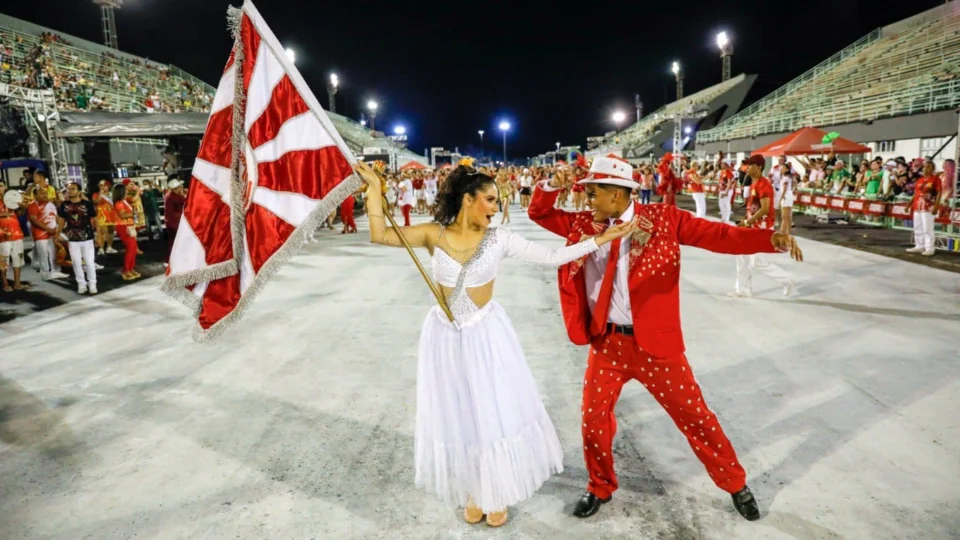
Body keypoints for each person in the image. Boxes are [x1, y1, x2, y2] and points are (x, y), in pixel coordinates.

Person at [354, 160, 638, 527]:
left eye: (497, 199)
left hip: (485, 336)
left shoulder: (500, 239)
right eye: (489, 199)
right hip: (444, 337)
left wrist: (599, 240)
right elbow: (380, 234)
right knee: (460, 412)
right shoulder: (432, 234)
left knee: (490, 411)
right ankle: (476, 488)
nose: (495, 206)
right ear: (468, 198)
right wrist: (375, 190)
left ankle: (496, 490)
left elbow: (552, 257)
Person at [528, 154, 803, 521]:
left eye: (593, 193)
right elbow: (540, 213)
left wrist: (770, 239)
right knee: (593, 419)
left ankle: (735, 483)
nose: (586, 201)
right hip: (606, 344)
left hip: (656, 347)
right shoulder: (583, 226)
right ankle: (600, 486)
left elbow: (719, 236)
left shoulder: (663, 219)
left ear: (617, 193)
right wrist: (550, 186)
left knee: (696, 417)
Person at [731, 155, 796, 298]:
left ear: (759, 167)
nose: (747, 168)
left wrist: (747, 222)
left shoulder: (764, 185)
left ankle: (787, 280)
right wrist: (745, 220)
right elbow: (753, 207)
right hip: (751, 226)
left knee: (759, 262)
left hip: (762, 228)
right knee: (741, 255)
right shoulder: (754, 184)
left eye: (750, 165)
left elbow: (765, 209)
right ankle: (742, 289)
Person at [58, 182, 99, 294]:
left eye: (73, 189)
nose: (70, 191)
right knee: (76, 263)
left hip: (87, 238)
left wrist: (99, 236)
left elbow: (95, 220)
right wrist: (57, 234)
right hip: (72, 239)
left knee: (89, 263)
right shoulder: (64, 205)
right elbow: (61, 220)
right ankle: (81, 284)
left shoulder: (87, 204)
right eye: (69, 189)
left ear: (79, 191)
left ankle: (92, 284)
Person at [26, 186, 68, 280]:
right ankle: (45, 274)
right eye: (42, 193)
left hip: (53, 233)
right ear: (35, 195)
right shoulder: (33, 205)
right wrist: (48, 229)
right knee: (44, 254)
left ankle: (56, 271)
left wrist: (59, 227)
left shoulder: (50, 204)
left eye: (45, 193)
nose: (45, 195)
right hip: (40, 235)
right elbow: (34, 220)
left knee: (54, 253)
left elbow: (55, 216)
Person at [906, 161, 941, 257]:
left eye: (928, 167)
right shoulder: (920, 179)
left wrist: (936, 206)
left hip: (928, 207)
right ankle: (919, 245)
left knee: (927, 228)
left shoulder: (935, 179)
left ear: (932, 168)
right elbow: (915, 193)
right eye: (924, 167)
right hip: (917, 206)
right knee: (917, 227)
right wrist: (909, 205)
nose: (926, 168)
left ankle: (929, 248)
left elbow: (939, 193)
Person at [0, 181, 29, 292]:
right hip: (3, 236)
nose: (0, 188)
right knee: (3, 260)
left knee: (18, 259)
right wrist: (4, 214)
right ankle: (5, 283)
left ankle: (17, 283)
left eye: (1, 186)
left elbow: (19, 214)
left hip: (17, 234)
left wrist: (23, 207)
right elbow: (7, 214)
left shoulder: (11, 199)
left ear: (5, 187)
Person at [113, 184, 140, 280]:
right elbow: (123, 215)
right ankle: (126, 270)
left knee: (133, 248)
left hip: (129, 226)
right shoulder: (119, 203)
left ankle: (131, 268)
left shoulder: (124, 201)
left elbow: (134, 199)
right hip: (123, 227)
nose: (127, 191)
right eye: (125, 190)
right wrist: (133, 214)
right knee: (130, 248)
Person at [163, 180, 186, 263]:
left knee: (172, 242)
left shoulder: (168, 195)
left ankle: (170, 260)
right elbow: (185, 204)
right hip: (175, 223)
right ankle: (171, 260)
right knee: (175, 242)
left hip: (170, 223)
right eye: (180, 187)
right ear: (177, 188)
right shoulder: (176, 197)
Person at [717, 159, 736, 224]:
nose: (721, 164)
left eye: (723, 163)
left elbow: (729, 183)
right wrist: (717, 189)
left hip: (727, 191)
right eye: (721, 163)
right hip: (721, 190)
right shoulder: (722, 172)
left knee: (727, 204)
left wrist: (726, 192)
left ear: (726, 165)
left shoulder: (729, 172)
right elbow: (720, 181)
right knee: (721, 205)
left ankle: (726, 220)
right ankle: (723, 218)